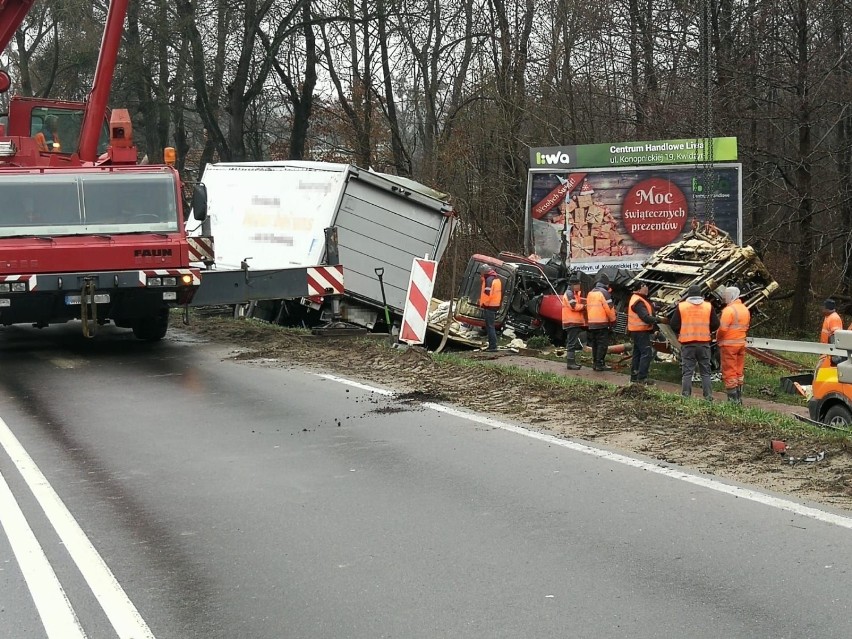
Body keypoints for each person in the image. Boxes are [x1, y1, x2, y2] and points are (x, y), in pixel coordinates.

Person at [670, 284, 720, 400]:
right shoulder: (708, 306)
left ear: (689, 294)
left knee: (687, 372)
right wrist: (707, 330)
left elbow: (674, 324)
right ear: (700, 294)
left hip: (687, 344)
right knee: (705, 372)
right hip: (703, 344)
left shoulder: (682, 307)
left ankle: (686, 396)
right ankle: (708, 397)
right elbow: (716, 324)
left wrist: (682, 331)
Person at [717, 286, 751, 403]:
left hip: (729, 345)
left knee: (729, 371)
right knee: (738, 371)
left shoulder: (728, 311)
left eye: (726, 296)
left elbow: (722, 329)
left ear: (731, 296)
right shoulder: (744, 309)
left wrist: (718, 338)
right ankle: (739, 397)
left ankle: (732, 400)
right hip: (741, 343)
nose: (724, 298)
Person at [627, 282, 658, 384]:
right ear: (640, 288)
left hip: (636, 331)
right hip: (640, 331)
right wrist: (658, 320)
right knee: (646, 353)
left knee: (637, 353)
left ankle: (635, 376)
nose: (647, 288)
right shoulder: (638, 301)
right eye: (645, 286)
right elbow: (645, 317)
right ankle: (642, 378)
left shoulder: (637, 298)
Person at [585, 273, 616, 371]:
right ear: (606, 284)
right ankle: (600, 364)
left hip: (592, 324)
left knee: (595, 344)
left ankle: (595, 363)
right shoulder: (604, 293)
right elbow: (609, 309)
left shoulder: (590, 293)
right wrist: (613, 321)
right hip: (602, 323)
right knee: (602, 345)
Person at [563, 273, 586, 370]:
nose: (579, 286)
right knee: (571, 343)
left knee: (572, 342)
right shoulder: (569, 294)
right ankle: (570, 363)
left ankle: (571, 362)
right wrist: (584, 307)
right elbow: (574, 307)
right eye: (578, 285)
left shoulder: (573, 293)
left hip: (572, 322)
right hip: (571, 322)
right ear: (573, 285)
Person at [478, 263, 503, 352]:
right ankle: (493, 345)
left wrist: (484, 304)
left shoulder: (489, 280)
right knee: (490, 326)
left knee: (490, 326)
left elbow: (487, 294)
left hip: (489, 306)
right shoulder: (496, 279)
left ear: (484, 272)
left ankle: (493, 346)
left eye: (481, 273)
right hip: (495, 305)